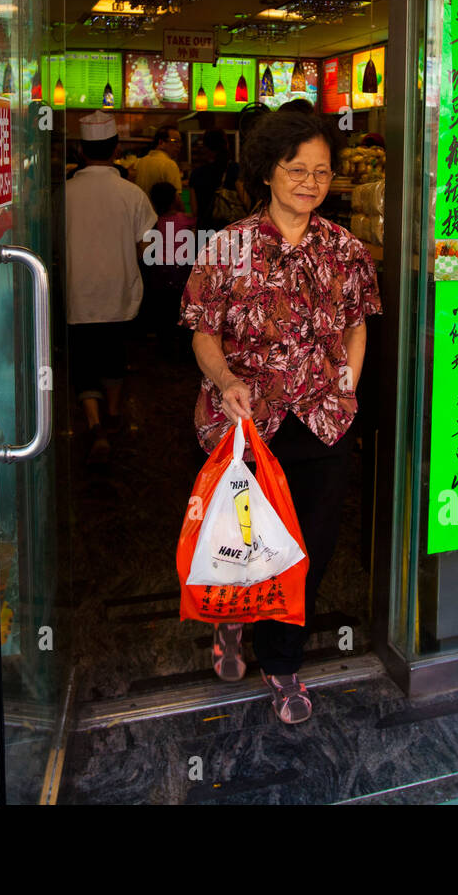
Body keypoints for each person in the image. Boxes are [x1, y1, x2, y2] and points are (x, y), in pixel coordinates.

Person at [180, 109, 381, 724]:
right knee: (245, 545)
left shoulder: (344, 248)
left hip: (322, 423)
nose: (310, 182)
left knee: (309, 547)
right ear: (268, 171)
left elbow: (356, 325)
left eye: (321, 172)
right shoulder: (229, 246)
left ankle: (283, 660)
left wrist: (345, 388)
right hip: (244, 424)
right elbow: (202, 331)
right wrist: (226, 379)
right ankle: (235, 623)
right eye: (297, 169)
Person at [64, 112, 157, 463]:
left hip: (77, 290)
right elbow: (147, 244)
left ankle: (95, 425)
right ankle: (115, 414)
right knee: (114, 354)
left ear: (81, 150)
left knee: (84, 360)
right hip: (119, 290)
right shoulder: (131, 194)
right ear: (116, 149)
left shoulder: (65, 193)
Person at [142, 181, 195, 351]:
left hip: (160, 270)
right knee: (183, 307)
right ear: (174, 199)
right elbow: (196, 214)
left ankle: (165, 343)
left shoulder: (156, 221)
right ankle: (184, 344)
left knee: (163, 307)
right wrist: (189, 193)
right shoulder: (184, 219)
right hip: (181, 270)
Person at [189, 128, 243, 231]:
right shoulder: (235, 169)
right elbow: (244, 200)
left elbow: (195, 210)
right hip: (230, 232)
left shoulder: (196, 174)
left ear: (206, 147)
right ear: (226, 145)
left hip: (204, 231)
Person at [133, 125, 184, 201]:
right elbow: (176, 199)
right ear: (161, 142)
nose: (179, 146)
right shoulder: (169, 164)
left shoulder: (139, 162)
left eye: (180, 142)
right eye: (175, 141)